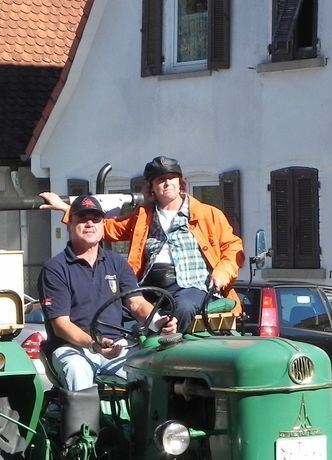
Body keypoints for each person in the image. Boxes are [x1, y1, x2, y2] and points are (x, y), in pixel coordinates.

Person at [41, 156, 245, 331]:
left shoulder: (208, 214)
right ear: (152, 188)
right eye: (161, 180)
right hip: (151, 287)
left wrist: (222, 273)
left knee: (183, 307)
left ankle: (170, 348)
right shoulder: (143, 215)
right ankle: (107, 355)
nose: (167, 184)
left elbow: (233, 247)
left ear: (180, 183)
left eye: (171, 178)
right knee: (114, 311)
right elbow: (107, 228)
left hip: (191, 285)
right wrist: (64, 208)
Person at [37, 194, 177, 392]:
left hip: (118, 346)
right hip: (72, 348)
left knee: (152, 371)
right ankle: (84, 424)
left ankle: (153, 423)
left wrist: (158, 321)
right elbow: (61, 325)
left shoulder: (117, 263)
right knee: (77, 369)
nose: (89, 224)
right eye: (82, 219)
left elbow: (136, 302)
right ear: (69, 224)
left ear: (103, 225)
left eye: (95, 219)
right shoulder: (55, 268)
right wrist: (94, 344)